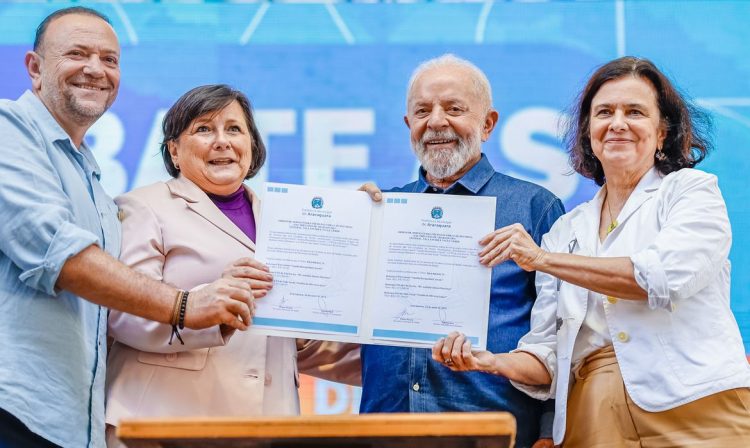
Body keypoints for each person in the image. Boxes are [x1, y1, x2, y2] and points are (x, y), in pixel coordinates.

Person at [433, 56, 750, 447]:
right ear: (588, 132)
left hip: (696, 408)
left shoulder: (691, 191)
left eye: (634, 112)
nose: (618, 123)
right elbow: (547, 354)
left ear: (662, 132)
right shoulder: (566, 229)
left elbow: (660, 278)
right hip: (592, 419)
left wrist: (542, 260)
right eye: (604, 112)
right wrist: (490, 362)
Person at [0, 8, 255, 448]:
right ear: (35, 68)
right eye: (77, 54)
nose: (96, 70)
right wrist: (184, 305)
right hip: (18, 409)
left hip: (74, 420)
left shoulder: (94, 183)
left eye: (110, 59)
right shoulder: (10, 130)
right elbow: (61, 255)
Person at [105, 84, 360, 447]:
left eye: (234, 129)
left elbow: (301, 342)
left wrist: (407, 359)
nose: (222, 141)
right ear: (174, 150)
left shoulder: (285, 219)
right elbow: (124, 314)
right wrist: (204, 304)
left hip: (265, 427)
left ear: (252, 147)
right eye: (204, 129)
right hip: (160, 426)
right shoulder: (144, 207)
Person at [359, 54, 564, 448]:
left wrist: (547, 431)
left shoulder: (535, 207)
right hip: (384, 432)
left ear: (488, 124)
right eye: (422, 110)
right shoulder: (381, 209)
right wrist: (347, 230)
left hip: (494, 431)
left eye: (454, 108)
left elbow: (564, 331)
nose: (436, 121)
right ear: (408, 126)